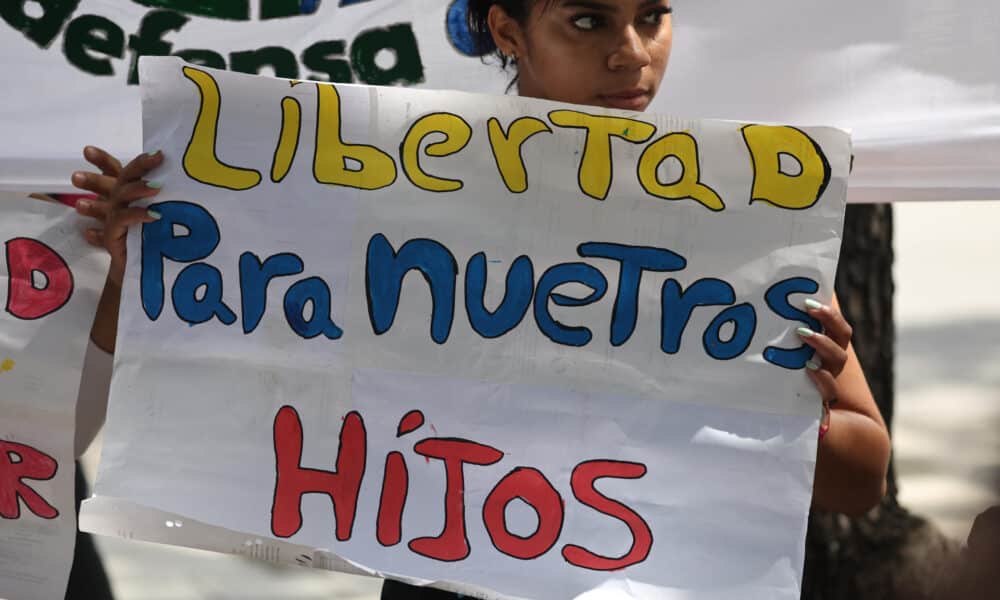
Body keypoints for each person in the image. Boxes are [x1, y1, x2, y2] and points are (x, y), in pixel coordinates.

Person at [69, 1, 893, 597]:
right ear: (508, 30)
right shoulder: (389, 194)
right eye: (587, 20)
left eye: (652, 16)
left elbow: (860, 473)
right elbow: (187, 370)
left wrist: (785, 404)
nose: (632, 53)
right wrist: (144, 267)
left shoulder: (733, 219)